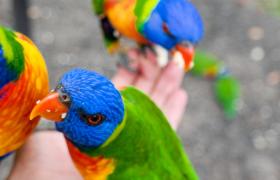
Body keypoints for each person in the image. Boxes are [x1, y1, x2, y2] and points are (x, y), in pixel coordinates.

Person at [8, 50, 188, 180]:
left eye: (94, 119)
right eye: (60, 92)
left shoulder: (111, 172)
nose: (58, 101)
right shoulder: (134, 96)